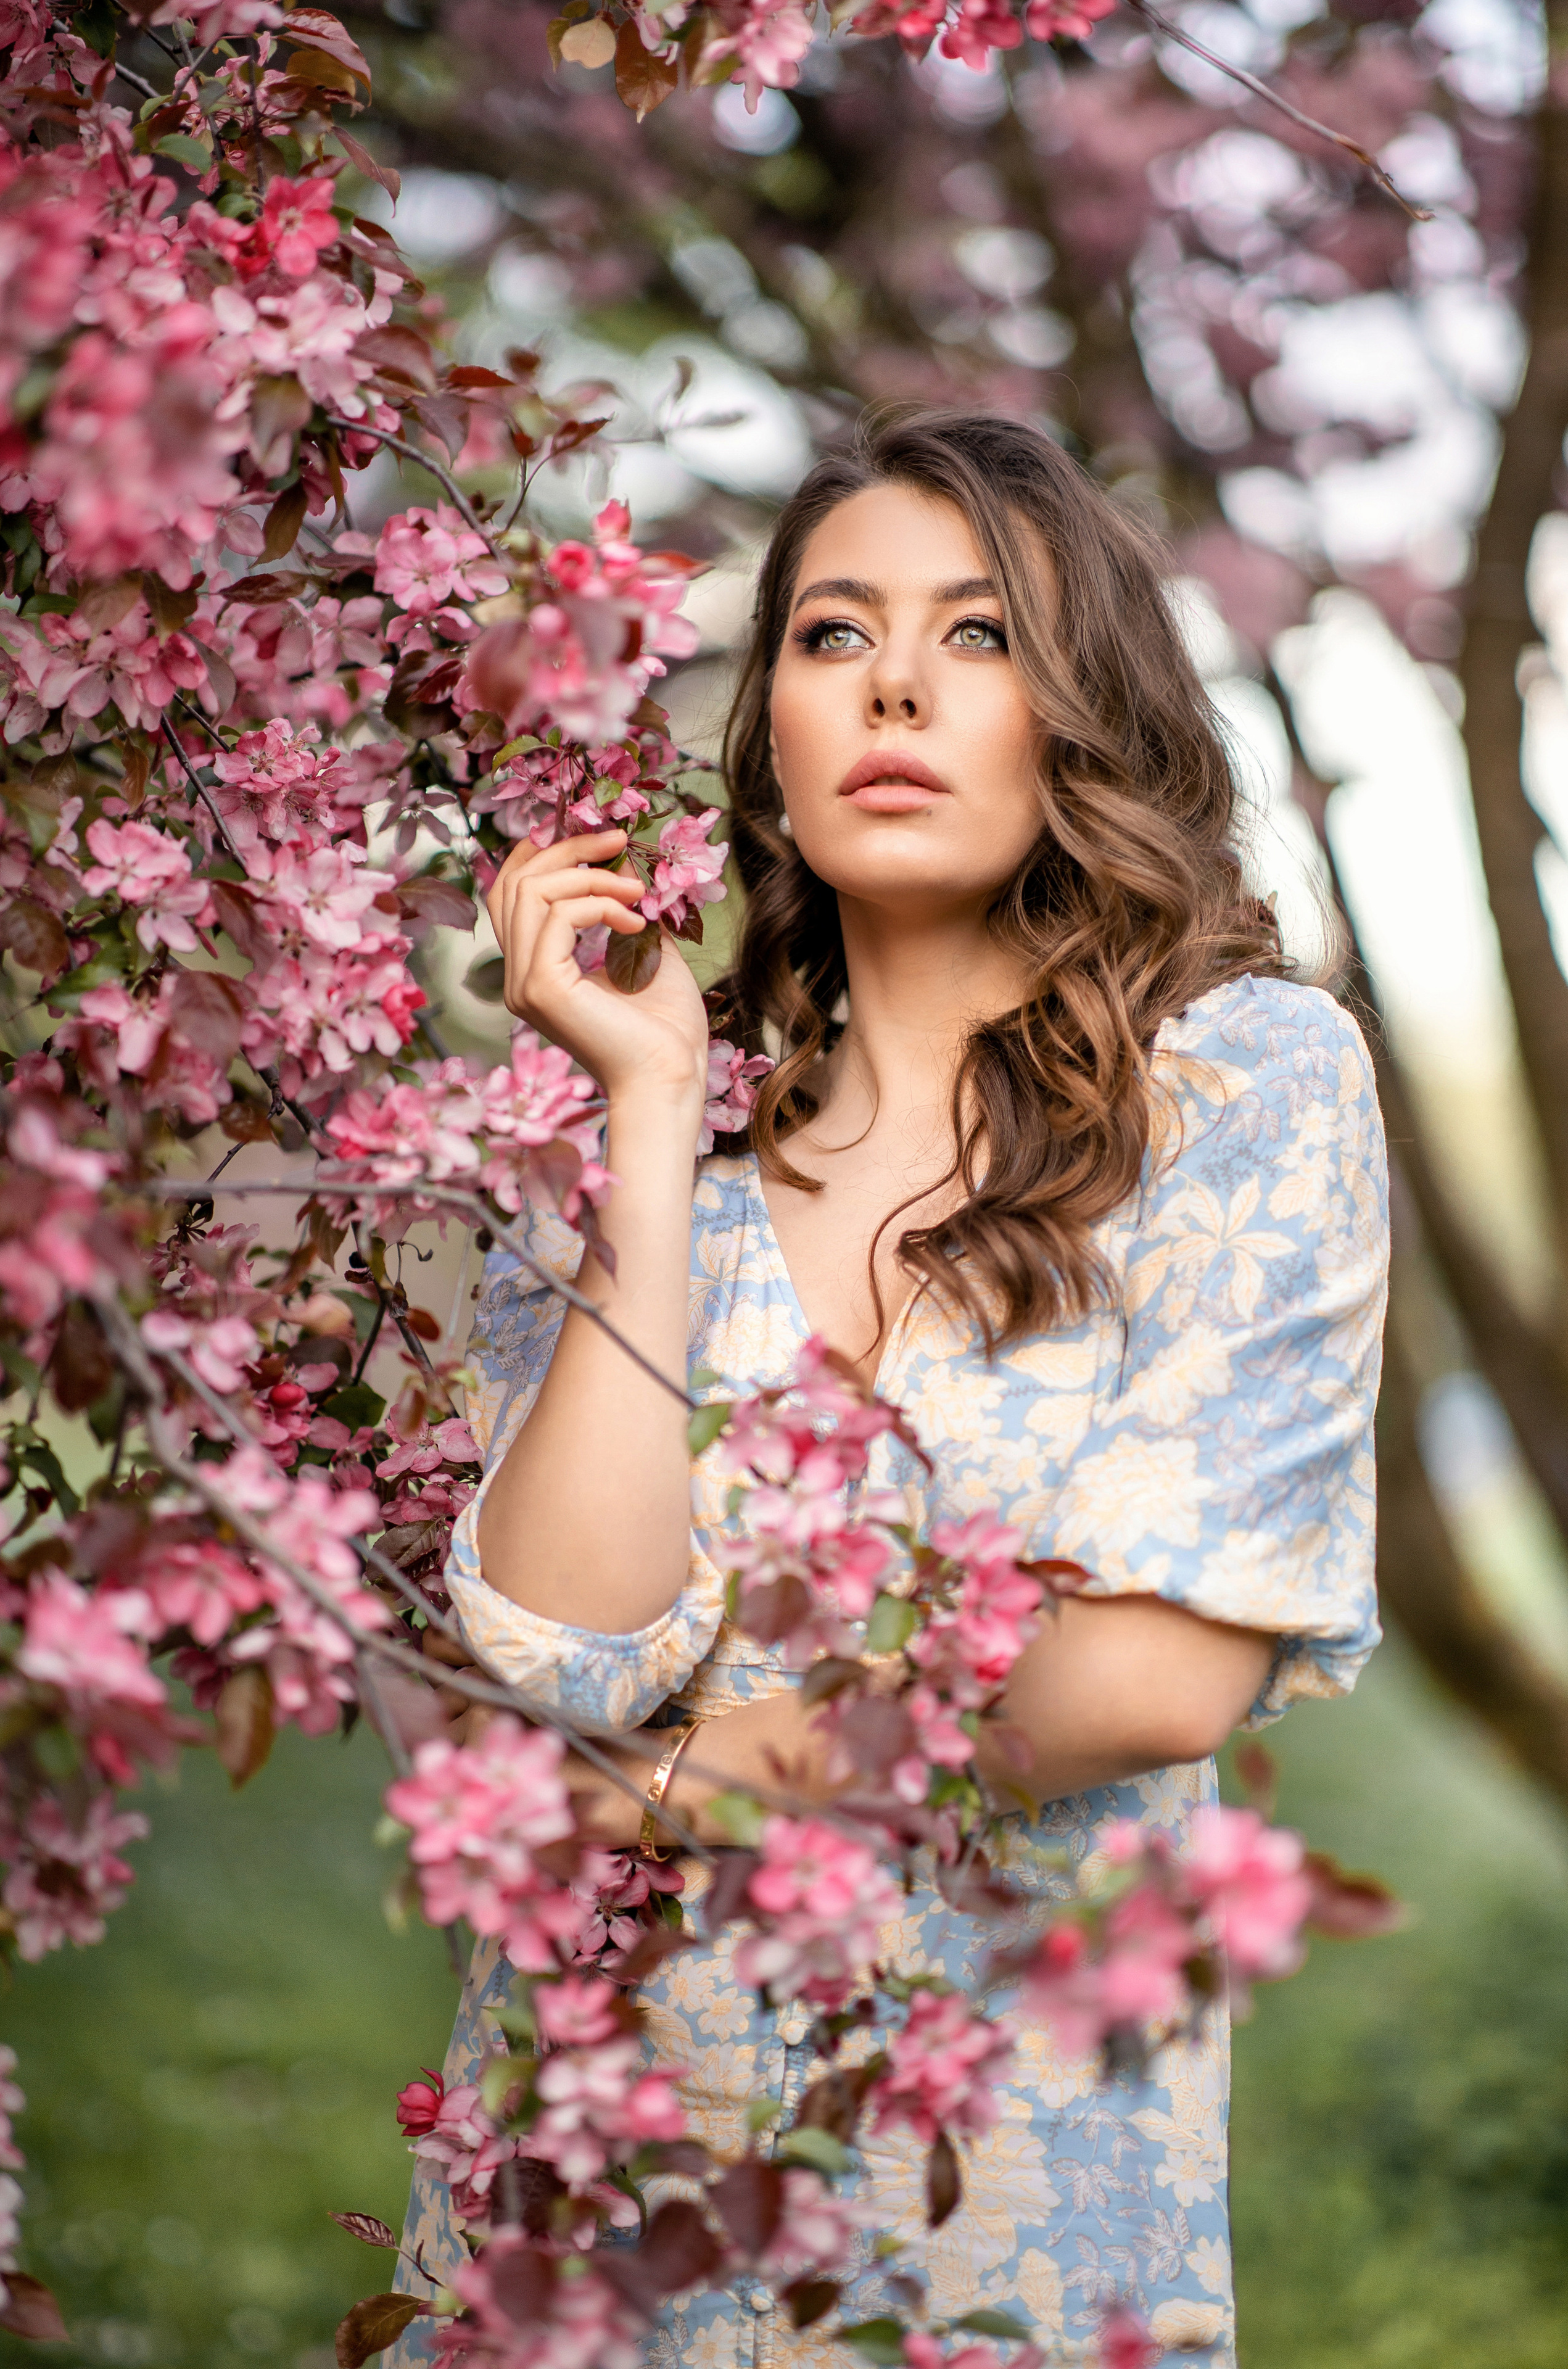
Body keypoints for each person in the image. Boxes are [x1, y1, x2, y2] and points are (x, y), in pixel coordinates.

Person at [390, 410, 1389, 2367]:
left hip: (1000, 2226)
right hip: (584, 2218)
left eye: (984, 634)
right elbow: (564, 1658)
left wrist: (694, 1785)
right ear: (768, 721)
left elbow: (1147, 1674)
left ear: (1080, 711)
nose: (902, 685)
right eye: (836, 636)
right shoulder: (643, 1155)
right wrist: (657, 1117)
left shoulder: (1246, 1092)